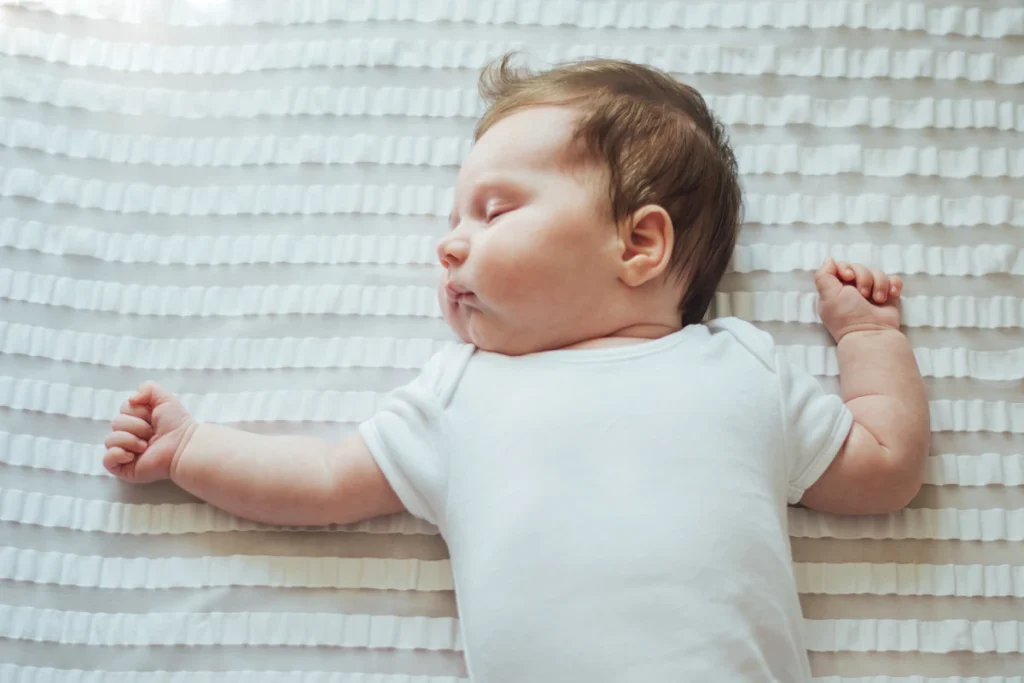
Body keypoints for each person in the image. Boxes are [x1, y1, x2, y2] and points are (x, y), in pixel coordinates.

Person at [103, 56, 930, 682]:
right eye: (454, 217)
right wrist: (191, 449)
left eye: (494, 210)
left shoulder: (740, 370)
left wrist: (867, 336)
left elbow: (884, 467)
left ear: (638, 244)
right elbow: (322, 478)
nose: (449, 241)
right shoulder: (459, 394)